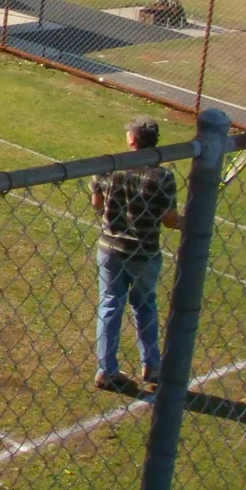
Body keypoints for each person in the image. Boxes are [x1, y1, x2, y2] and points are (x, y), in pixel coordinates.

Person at [90, 116, 182, 392]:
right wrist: (189, 220)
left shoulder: (109, 166)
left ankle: (105, 370)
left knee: (109, 305)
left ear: (132, 140)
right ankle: (151, 366)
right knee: (144, 305)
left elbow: (96, 203)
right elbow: (169, 219)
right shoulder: (161, 176)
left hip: (109, 249)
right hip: (144, 252)